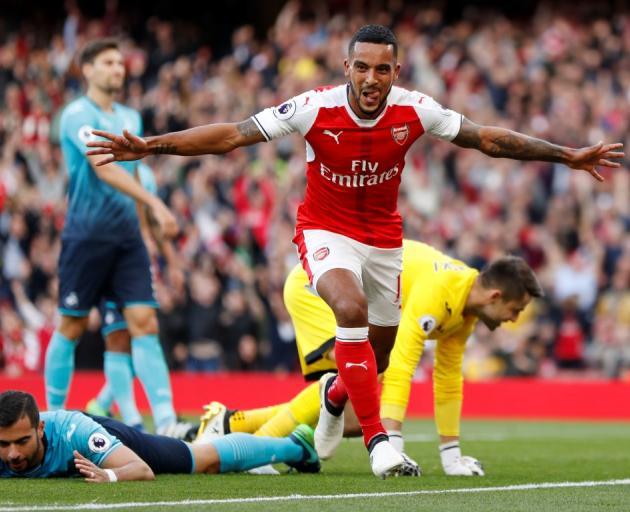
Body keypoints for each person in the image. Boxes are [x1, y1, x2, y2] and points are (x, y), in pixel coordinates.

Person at [86, 25, 623, 477]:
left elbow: (487, 138)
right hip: (323, 231)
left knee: (380, 359)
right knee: (351, 311)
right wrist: (152, 145)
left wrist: (566, 155)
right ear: (346, 66)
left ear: (396, 71)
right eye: (362, 68)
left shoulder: (416, 110)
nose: (371, 79)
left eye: (382, 70)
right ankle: (377, 445)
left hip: (384, 242)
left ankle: (333, 399)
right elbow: (232, 135)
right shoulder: (312, 108)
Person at [195, 240, 543, 476]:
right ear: (496, 296)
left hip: (346, 298)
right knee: (357, 379)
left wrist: (451, 458)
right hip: (317, 289)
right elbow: (400, 362)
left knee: (353, 418)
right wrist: (392, 444)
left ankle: (229, 423)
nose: (514, 319)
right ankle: (258, 450)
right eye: (516, 310)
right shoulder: (442, 288)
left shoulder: (465, 311)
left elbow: (448, 379)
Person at [45, 38, 185, 436]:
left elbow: (136, 175)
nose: (117, 69)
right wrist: (157, 205)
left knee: (143, 322)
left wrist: (151, 231)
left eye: (121, 63)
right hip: (87, 237)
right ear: (86, 69)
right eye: (108, 62)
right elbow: (105, 168)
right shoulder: (76, 115)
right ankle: (52, 416)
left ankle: (168, 422)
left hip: (128, 240)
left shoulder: (130, 116)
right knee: (72, 325)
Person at [0, 390, 319, 481]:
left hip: (113, 438)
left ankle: (294, 447)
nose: (13, 453)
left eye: (22, 441)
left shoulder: (77, 432)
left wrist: (108, 474)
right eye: (4, 445)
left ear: (40, 429)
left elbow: (141, 470)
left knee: (200, 458)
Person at [85, 163, 189, 437]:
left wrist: (173, 263)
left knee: (141, 333)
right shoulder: (101, 169)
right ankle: (132, 419)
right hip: (109, 259)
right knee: (119, 336)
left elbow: (153, 222)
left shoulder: (144, 174)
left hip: (138, 263)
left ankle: (113, 406)